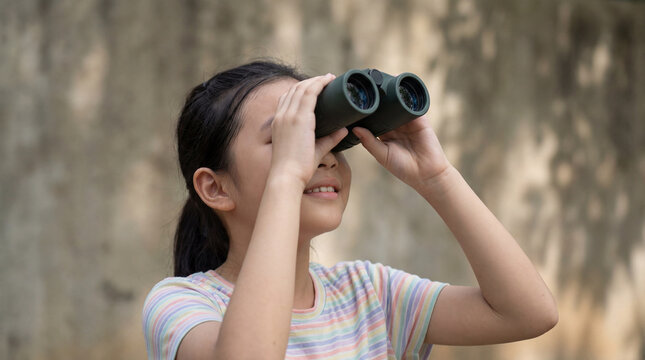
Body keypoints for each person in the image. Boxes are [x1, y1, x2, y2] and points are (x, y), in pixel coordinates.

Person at [142, 60, 558, 360]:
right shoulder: (182, 305)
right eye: (289, 137)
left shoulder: (369, 293)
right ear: (215, 188)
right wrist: (287, 177)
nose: (321, 156)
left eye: (326, 135)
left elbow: (527, 313)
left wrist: (438, 177)